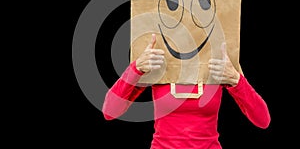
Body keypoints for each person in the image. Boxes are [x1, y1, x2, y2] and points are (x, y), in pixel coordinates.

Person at [102, 34, 271, 149]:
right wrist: (136, 68)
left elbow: (263, 120)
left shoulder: (216, 62)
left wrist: (236, 79)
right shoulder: (159, 64)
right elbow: (109, 112)